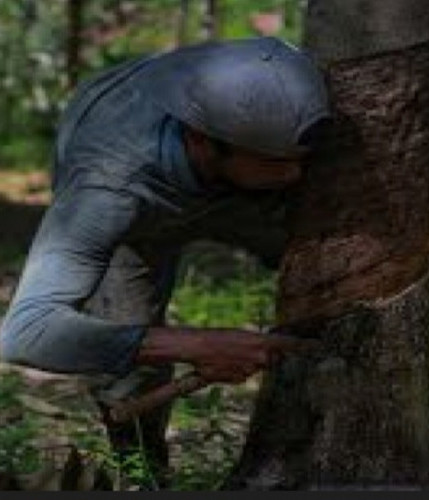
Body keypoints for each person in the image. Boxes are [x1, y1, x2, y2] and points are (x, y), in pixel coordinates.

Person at [0, 37, 330, 483]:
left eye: (301, 159)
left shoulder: (266, 115)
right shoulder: (109, 190)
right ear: (201, 139)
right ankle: (144, 475)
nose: (296, 175)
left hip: (233, 188)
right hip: (144, 209)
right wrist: (197, 344)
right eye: (275, 160)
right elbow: (25, 333)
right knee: (133, 376)